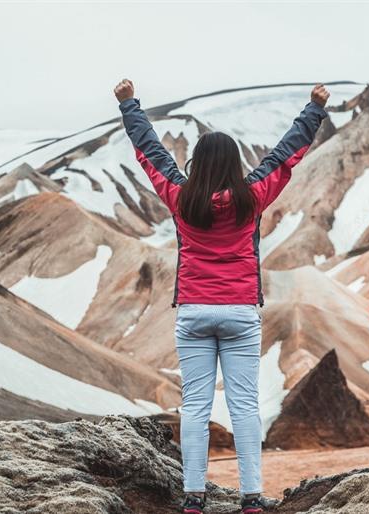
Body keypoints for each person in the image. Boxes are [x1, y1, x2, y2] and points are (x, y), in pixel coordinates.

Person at [113, 79, 330, 514]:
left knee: (194, 406)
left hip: (193, 311)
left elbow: (151, 153)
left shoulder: (179, 197)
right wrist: (313, 110)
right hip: (240, 312)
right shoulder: (252, 197)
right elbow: (283, 157)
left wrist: (128, 105)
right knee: (244, 404)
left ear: (196, 164)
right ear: (234, 165)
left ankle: (194, 497)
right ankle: (251, 497)